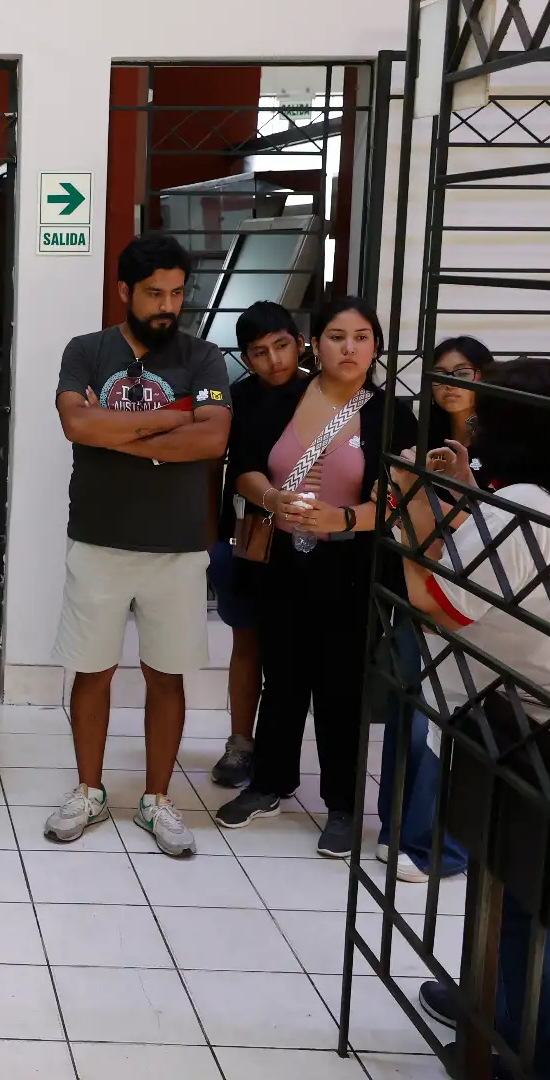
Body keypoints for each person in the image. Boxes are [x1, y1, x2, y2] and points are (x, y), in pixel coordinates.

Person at [396, 358, 550, 1080]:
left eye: (489, 416)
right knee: (509, 878)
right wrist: (472, 497)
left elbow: (444, 602)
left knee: (519, 891)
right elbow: (518, 568)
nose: (476, 425)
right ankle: (494, 1002)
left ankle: (529, 1050)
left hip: (541, 727)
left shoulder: (524, 507)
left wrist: (413, 514)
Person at [44, 233, 230, 858]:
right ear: (124, 291)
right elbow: (76, 422)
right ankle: (88, 791)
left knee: (166, 675)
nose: (167, 305)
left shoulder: (204, 358)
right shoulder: (86, 350)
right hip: (99, 539)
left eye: (176, 293)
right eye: (154, 293)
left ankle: (157, 799)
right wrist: (174, 416)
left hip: (178, 544)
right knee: (91, 670)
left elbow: (212, 440)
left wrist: (115, 432)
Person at [214, 295, 417, 859]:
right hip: (281, 556)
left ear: (375, 346)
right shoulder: (282, 397)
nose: (349, 348)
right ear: (315, 343)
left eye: (361, 338)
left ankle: (343, 806)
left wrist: (344, 519)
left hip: (352, 563)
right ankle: (270, 783)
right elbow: (244, 468)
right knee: (281, 675)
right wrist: (272, 498)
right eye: (336, 337)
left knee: (341, 685)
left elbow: (402, 501)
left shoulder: (391, 414)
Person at [372, 336, 492, 882]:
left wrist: (428, 497)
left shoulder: (502, 444)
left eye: (460, 373)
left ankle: (435, 844)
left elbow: (492, 525)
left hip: (473, 595)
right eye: (439, 375)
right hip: (418, 581)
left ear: (484, 375)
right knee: (408, 708)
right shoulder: (419, 437)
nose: (448, 385)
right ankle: (395, 829)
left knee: (447, 718)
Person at [207, 301, 307, 788]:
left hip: (309, 536)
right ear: (246, 358)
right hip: (249, 533)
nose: (274, 360)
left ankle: (281, 750)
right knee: (246, 641)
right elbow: (233, 465)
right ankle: (240, 744)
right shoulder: (238, 399)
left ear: (300, 342)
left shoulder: (323, 393)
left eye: (281, 346)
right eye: (260, 352)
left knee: (294, 648)